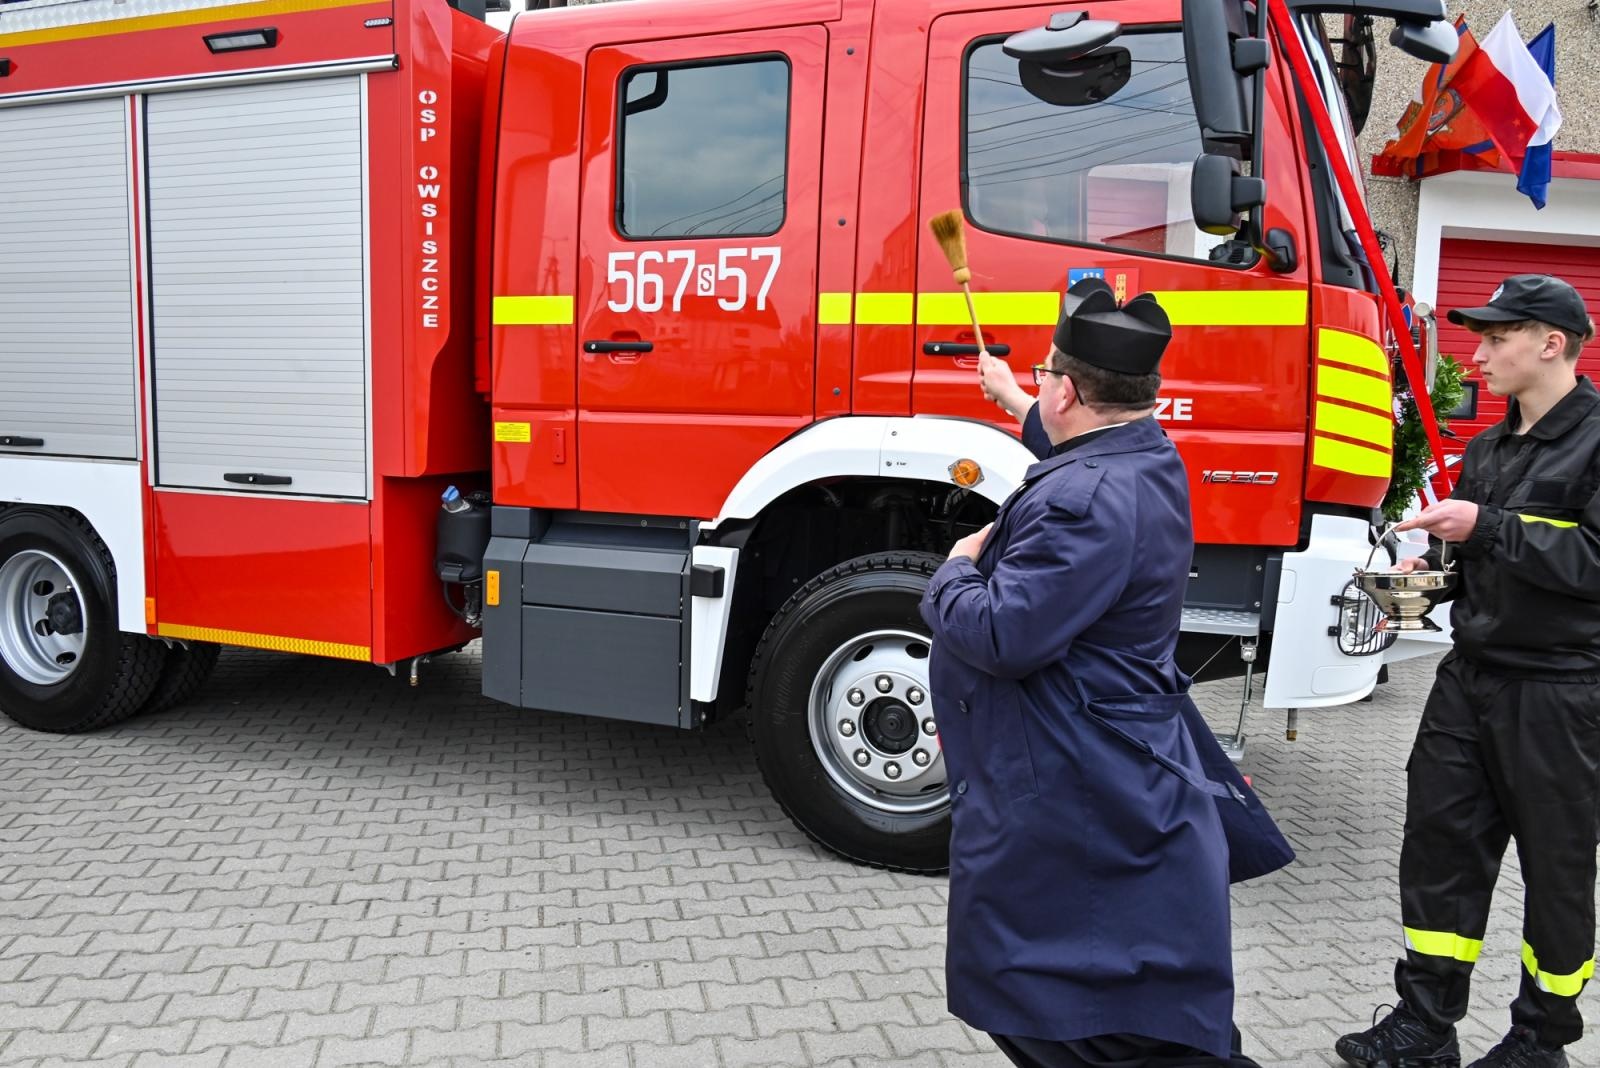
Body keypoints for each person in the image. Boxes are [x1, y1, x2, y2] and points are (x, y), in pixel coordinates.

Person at [921, 277, 1279, 1068]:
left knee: (1063, 1004)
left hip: (1076, 777)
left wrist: (951, 573)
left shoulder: (1080, 502)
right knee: (1116, 997)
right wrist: (1014, 394)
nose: (1045, 384)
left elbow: (1003, 633)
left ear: (1071, 391)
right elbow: (1083, 443)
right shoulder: (1146, 457)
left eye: (1049, 373)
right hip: (1111, 766)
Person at [1337, 274, 1600, 1068]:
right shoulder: (1488, 447)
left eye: (1495, 339)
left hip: (1559, 690)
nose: (1477, 354)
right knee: (1441, 848)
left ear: (1550, 344)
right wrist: (1426, 573)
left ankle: (1539, 1042)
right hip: (1469, 680)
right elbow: (1473, 552)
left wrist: (1484, 527)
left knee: (1554, 869)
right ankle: (1425, 1026)